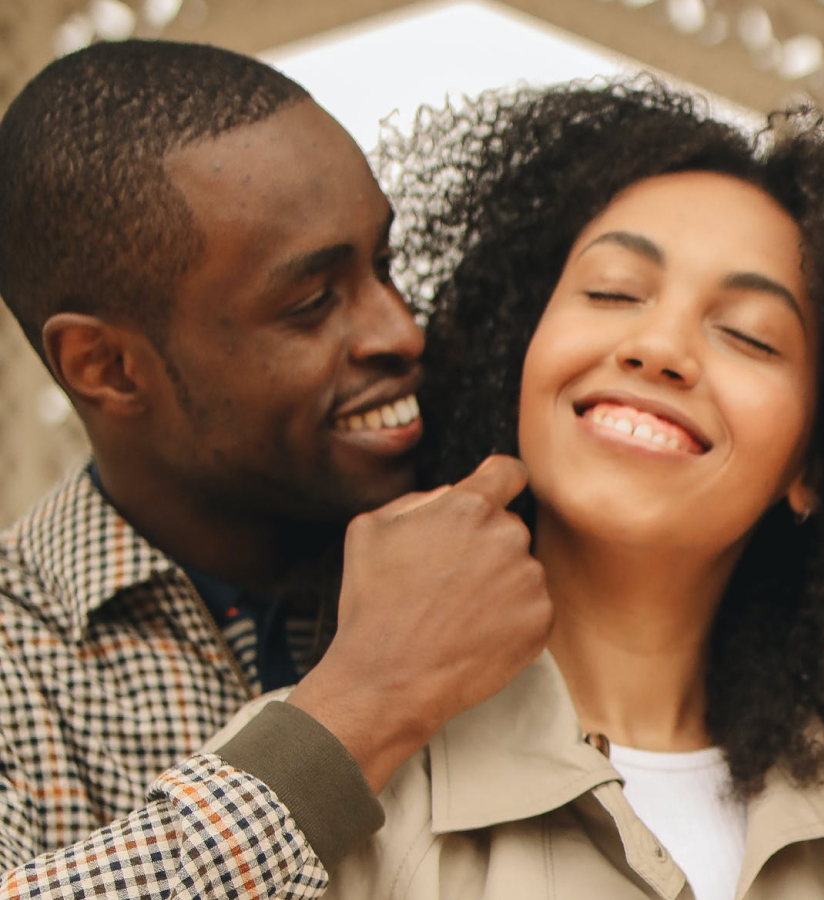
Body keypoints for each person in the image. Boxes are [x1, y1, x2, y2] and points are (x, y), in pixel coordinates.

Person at [211, 80, 824, 898]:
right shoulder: (322, 773)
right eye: (614, 292)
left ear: (813, 465)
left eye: (748, 335)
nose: (659, 347)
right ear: (519, 355)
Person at [0, 40, 552, 898]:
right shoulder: (16, 652)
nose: (400, 331)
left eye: (386, 265)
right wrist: (365, 702)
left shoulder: (508, 559)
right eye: (310, 304)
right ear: (105, 366)